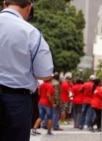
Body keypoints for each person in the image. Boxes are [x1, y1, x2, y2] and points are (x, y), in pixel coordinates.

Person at [0, 0, 54, 141]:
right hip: (17, 99)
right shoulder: (31, 32)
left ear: (5, 4)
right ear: (29, 7)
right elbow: (45, 73)